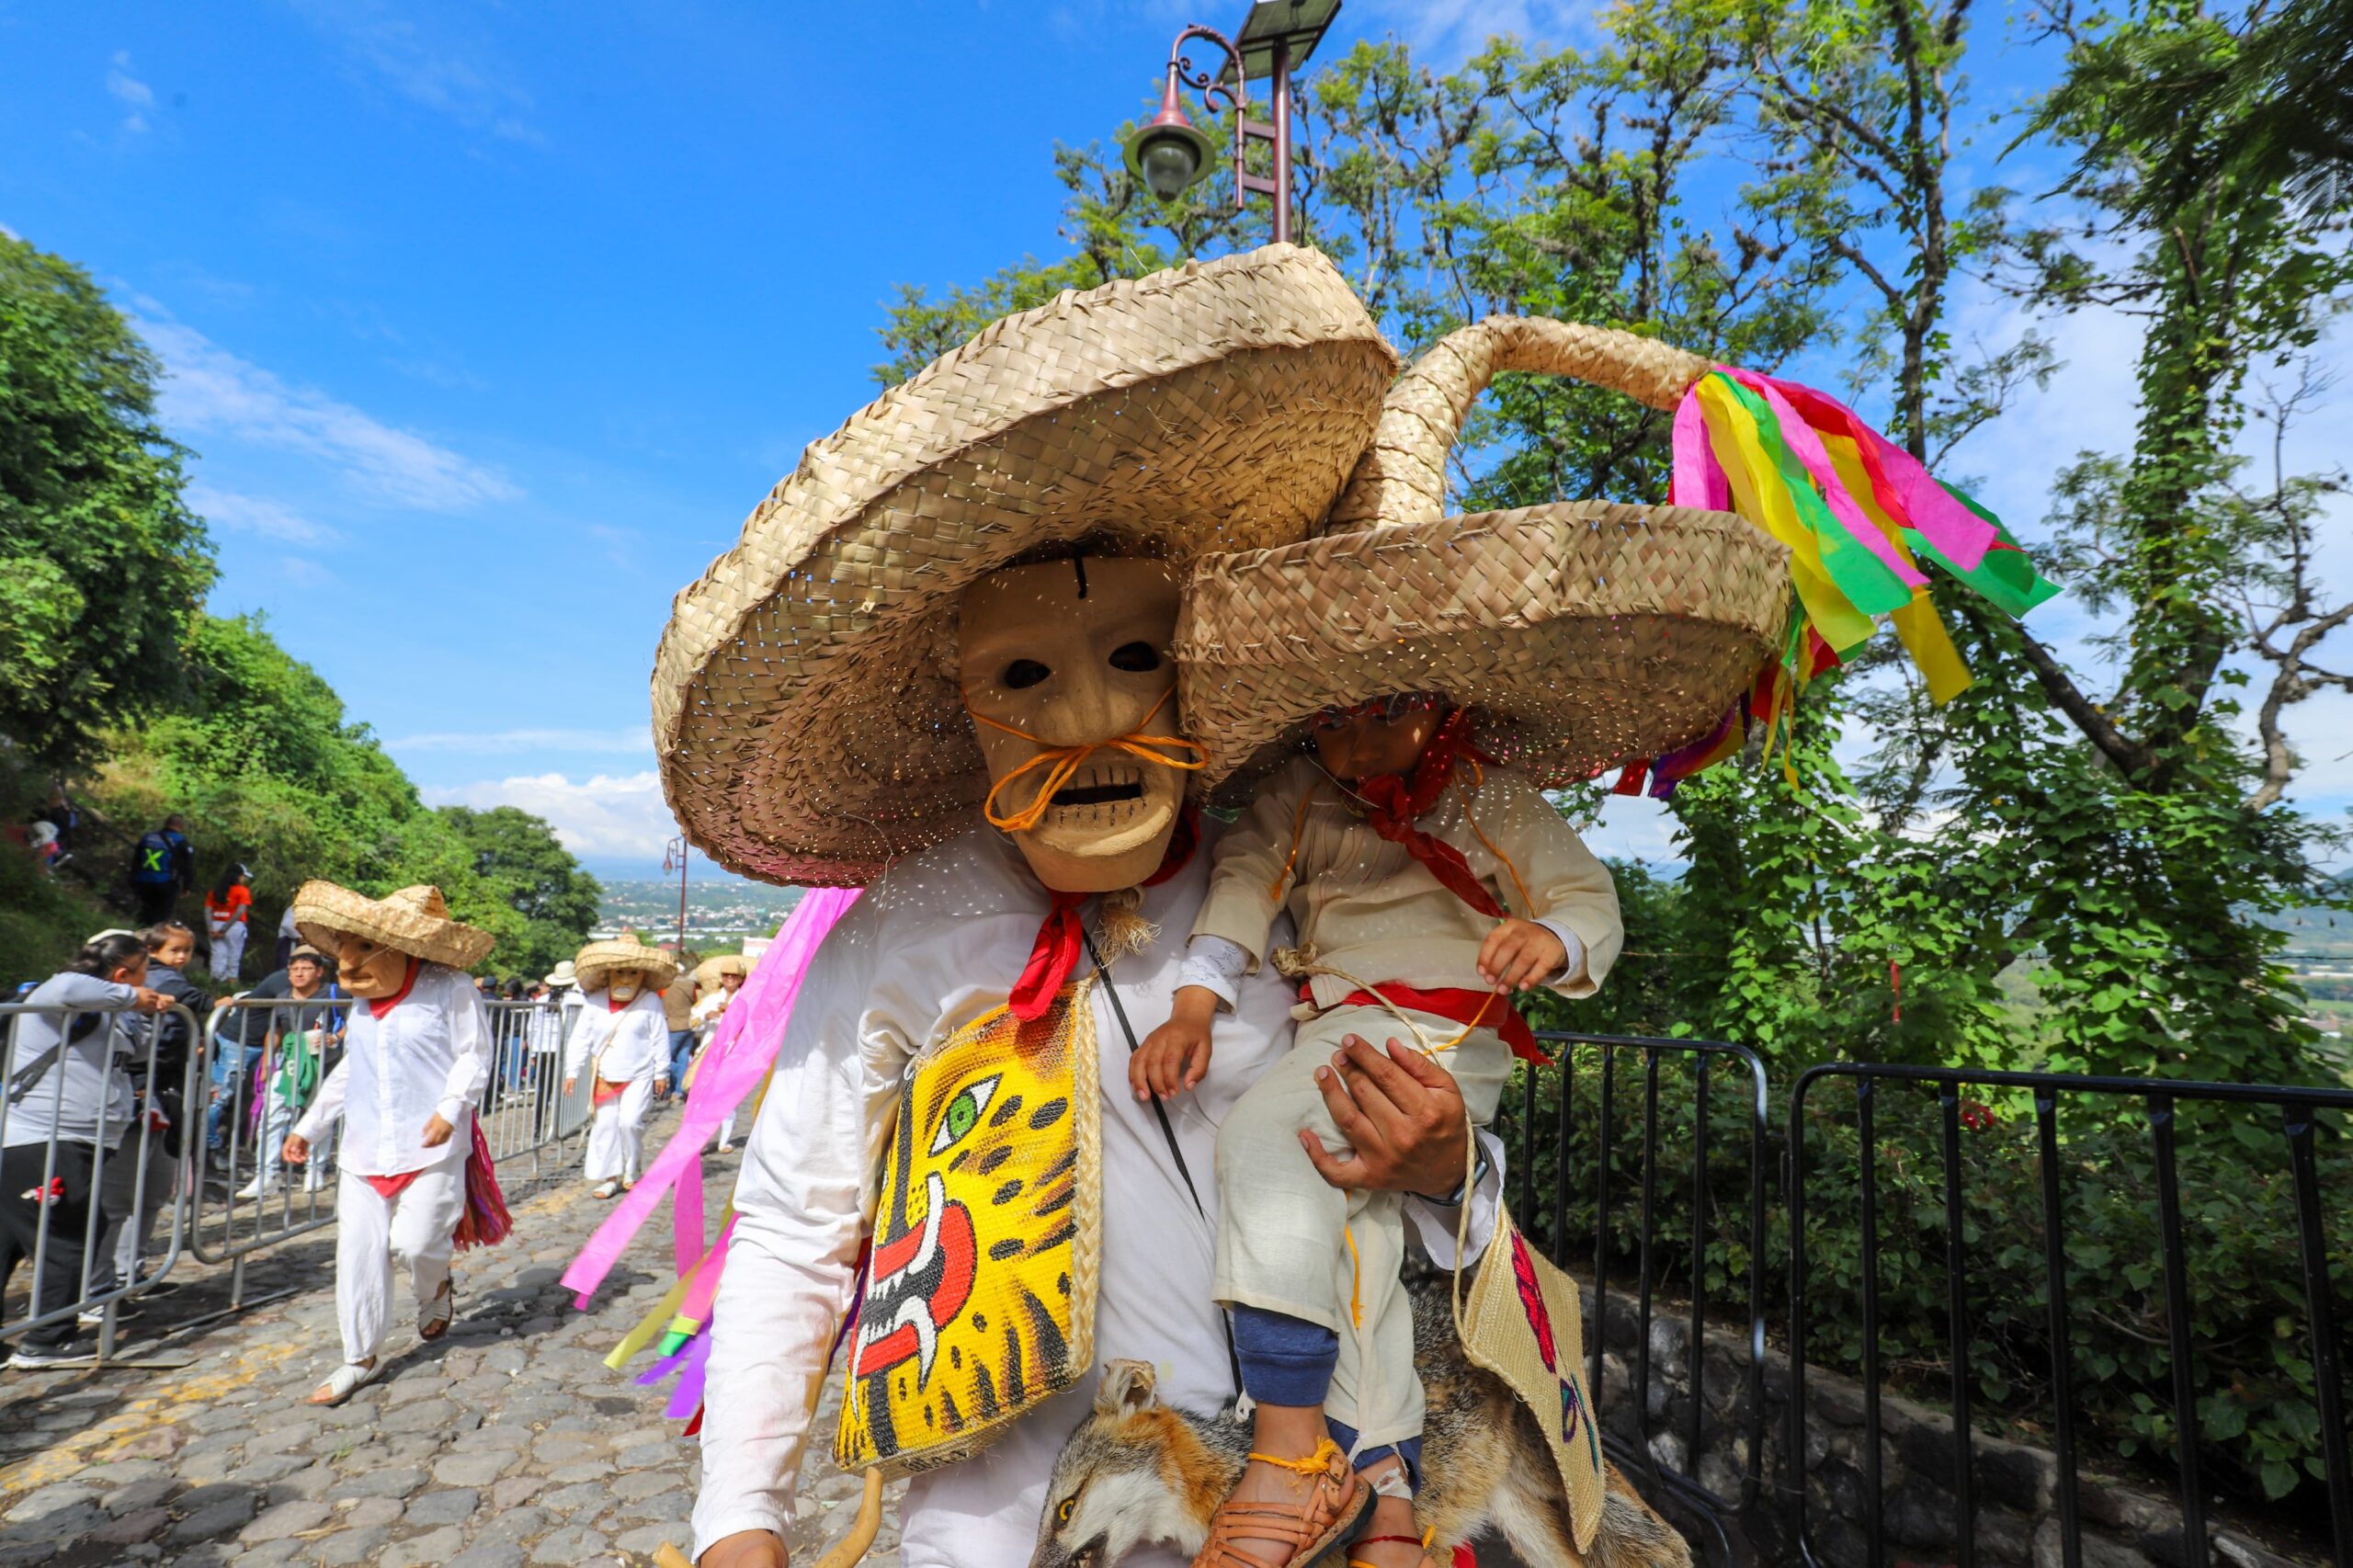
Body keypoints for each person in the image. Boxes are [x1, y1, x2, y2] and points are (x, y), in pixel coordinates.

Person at [657, 251, 1509, 1568]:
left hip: (1286, 1501)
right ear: (965, 710)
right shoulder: (912, 917)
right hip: (998, 1522)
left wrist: (1448, 1164)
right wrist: (741, 1522)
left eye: (1132, 660)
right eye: (1026, 677)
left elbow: (1433, 1193)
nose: (1090, 713)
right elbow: (798, 1214)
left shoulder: (1311, 882)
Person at [1136, 694, 1620, 1568]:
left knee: (1262, 1146)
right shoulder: (1304, 791)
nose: (1355, 747)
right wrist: (1193, 1006)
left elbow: (1586, 896)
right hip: (1337, 1028)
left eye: (1382, 714)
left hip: (1441, 1039)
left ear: (1438, 705)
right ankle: (1386, 1487)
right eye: (1328, 722)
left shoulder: (1490, 795)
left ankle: (1287, 1445)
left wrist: (1551, 938)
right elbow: (1245, 881)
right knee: (1354, 1235)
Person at [279, 881, 495, 1405]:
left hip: (432, 1146)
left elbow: (473, 1054)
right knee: (358, 1253)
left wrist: (450, 1110)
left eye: (361, 948)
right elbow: (354, 1069)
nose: (347, 964)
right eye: (344, 950)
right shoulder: (358, 1008)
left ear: (399, 949)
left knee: (416, 1244)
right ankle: (359, 1357)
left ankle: (434, 1287)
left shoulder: (451, 987)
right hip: (364, 1148)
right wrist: (310, 1126)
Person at [1, 932, 173, 1368]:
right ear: (122, 973)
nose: (148, 981)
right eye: (143, 972)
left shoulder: (113, 1010)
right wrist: (132, 996)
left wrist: (143, 1013)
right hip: (44, 1136)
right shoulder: (64, 992)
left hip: (75, 1139)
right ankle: (46, 1340)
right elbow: (68, 986)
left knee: (13, 1239)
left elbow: (136, 1054)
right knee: (70, 1234)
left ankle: (42, 1335)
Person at [563, 934, 674, 1199]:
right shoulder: (595, 1001)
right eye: (620, 971)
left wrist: (661, 1072)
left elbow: (659, 1037)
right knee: (606, 1126)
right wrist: (572, 1071)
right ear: (609, 973)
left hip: (640, 1073)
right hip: (605, 1074)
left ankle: (632, 1168)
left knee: (630, 1122)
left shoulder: (649, 1000)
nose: (625, 978)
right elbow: (581, 1037)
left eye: (632, 972)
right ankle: (610, 1177)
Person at [241, 947, 347, 1198]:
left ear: (319, 971)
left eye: (306, 968)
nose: (299, 974)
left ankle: (315, 1169)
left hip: (325, 1064)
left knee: (319, 1114)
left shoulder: (334, 993)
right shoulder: (282, 996)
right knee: (271, 1114)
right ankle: (266, 1173)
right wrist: (268, 1061)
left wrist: (334, 1037)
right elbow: (275, 1030)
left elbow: (351, 1023)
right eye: (294, 969)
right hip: (289, 1064)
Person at [685, 957, 748, 1153]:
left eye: (734, 976)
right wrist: (706, 1016)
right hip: (708, 1052)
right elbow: (693, 1022)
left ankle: (724, 1140)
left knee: (727, 1097)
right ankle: (699, 1138)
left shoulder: (745, 1001)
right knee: (701, 1097)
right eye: (726, 976)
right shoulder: (710, 999)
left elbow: (750, 1027)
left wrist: (733, 1016)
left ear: (740, 979)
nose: (729, 979)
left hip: (733, 1054)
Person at [129, 815, 193, 925]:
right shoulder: (181, 842)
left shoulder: (147, 838)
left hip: (143, 881)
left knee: (144, 913)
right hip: (166, 883)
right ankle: (154, 938)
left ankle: (140, 934)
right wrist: (187, 887)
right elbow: (188, 866)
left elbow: (136, 860)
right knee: (161, 916)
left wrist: (132, 879)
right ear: (180, 826)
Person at [204, 863, 256, 983]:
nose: (244, 879)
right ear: (238, 876)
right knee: (234, 955)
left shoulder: (214, 891)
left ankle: (215, 981)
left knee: (217, 955)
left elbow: (207, 911)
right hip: (234, 926)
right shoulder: (243, 891)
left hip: (215, 924)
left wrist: (211, 929)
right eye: (243, 876)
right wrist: (224, 930)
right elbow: (239, 912)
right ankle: (231, 983)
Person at [658, 965, 698, 1103]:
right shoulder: (690, 985)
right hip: (689, 1025)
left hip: (673, 1026)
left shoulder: (665, 987)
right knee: (683, 1059)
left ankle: (674, 1087)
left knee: (667, 1060)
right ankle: (679, 1091)